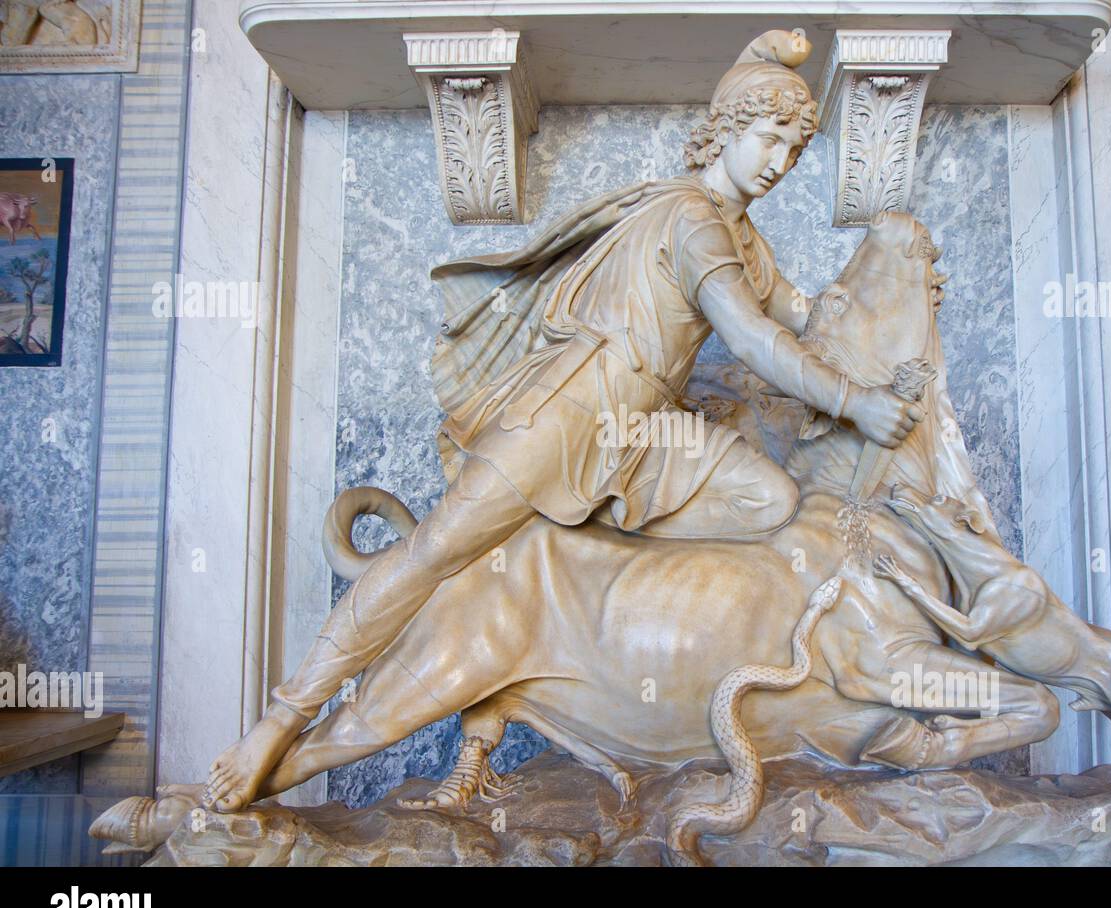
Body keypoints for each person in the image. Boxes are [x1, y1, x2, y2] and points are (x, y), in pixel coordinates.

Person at [203, 29, 924, 812]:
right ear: (727, 128)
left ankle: (559, 581)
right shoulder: (691, 219)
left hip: (646, 433)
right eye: (769, 137)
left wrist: (894, 331)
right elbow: (755, 339)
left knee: (771, 502)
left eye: (796, 147)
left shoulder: (747, 241)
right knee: (436, 549)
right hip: (575, 408)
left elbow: (805, 319)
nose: (781, 161)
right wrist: (853, 403)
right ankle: (278, 725)